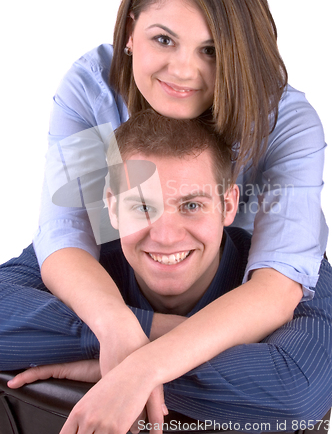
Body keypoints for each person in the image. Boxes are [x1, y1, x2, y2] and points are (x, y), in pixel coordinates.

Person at [1, 0, 328, 432]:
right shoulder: (93, 88)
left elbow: (277, 287)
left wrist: (141, 368)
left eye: (211, 50)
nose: (182, 71)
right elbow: (64, 235)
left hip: (245, 278)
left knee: (296, 382)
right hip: (126, 258)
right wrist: (120, 333)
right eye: (164, 39)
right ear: (131, 30)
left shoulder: (284, 121)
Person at [3, 111, 332, 434]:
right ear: (113, 207)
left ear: (228, 204)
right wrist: (117, 334)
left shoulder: (293, 268)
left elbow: (295, 394)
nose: (165, 236)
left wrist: (127, 371)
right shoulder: (81, 257)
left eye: (191, 206)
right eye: (143, 207)